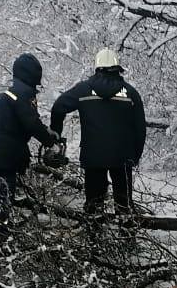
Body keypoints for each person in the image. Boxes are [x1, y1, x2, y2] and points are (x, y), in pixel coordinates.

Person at [50, 48, 147, 216]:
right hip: (122, 157)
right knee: (124, 206)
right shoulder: (130, 93)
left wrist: (56, 135)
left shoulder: (83, 89)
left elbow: (58, 107)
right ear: (117, 67)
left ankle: (94, 238)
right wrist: (135, 156)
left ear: (97, 67)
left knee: (94, 205)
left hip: (93, 156)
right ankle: (125, 237)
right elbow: (140, 128)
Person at [0, 53, 60, 231]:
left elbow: (28, 121)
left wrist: (46, 133)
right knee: (3, 195)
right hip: (3, 155)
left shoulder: (8, 95)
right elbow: (31, 124)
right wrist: (50, 141)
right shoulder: (21, 97)